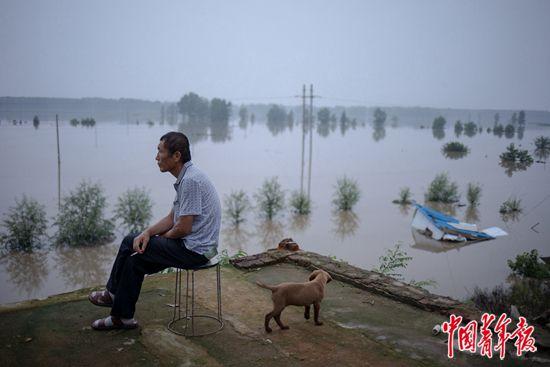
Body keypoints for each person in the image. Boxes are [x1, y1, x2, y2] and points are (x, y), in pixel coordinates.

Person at [88, 131, 221, 330]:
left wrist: (160, 238)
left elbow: (183, 228)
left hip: (196, 251)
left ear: (176, 156)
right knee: (135, 260)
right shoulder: (187, 177)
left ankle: (112, 294)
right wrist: (148, 233)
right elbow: (171, 218)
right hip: (190, 246)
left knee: (128, 241)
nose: (156, 157)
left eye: (160, 152)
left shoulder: (191, 181)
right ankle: (122, 318)